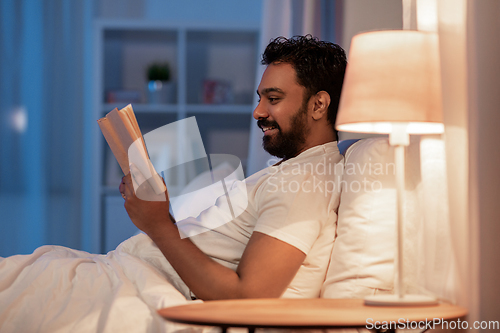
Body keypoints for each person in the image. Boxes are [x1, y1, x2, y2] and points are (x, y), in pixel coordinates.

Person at [120, 35, 347, 300]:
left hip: (138, 287)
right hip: (132, 275)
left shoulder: (303, 183)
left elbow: (248, 295)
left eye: (273, 99)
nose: (258, 112)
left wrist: (157, 223)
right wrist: (159, 215)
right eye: (260, 98)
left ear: (318, 105)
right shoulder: (294, 169)